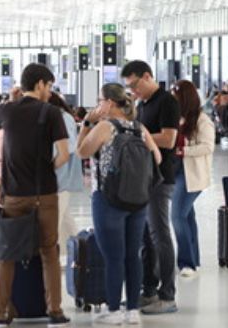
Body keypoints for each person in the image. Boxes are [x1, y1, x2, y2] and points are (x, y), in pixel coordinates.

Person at [0, 63, 71, 327]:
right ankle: (55, 312)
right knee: (49, 252)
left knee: (8, 254)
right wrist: (45, 168)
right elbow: (63, 154)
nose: (50, 92)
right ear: (40, 84)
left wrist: (10, 100)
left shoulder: (6, 110)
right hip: (46, 195)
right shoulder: (51, 113)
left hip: (14, 196)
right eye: (49, 86)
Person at [77, 83, 161, 325]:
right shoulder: (139, 128)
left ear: (110, 103)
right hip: (138, 200)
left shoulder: (105, 126)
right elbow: (156, 157)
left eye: (100, 100)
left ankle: (114, 311)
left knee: (113, 256)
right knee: (132, 255)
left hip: (108, 198)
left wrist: (86, 123)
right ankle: (132, 310)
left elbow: (82, 151)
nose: (97, 105)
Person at [121, 60, 180, 314]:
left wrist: (136, 135)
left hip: (160, 178)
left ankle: (168, 296)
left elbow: (168, 139)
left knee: (160, 235)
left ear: (147, 77)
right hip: (144, 178)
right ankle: (149, 290)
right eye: (129, 89)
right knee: (146, 238)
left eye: (135, 85)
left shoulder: (167, 101)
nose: (133, 92)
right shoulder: (143, 104)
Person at [170, 80, 215, 277]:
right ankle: (194, 259)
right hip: (175, 172)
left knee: (177, 216)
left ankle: (186, 262)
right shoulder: (175, 118)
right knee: (187, 216)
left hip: (192, 175)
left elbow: (208, 146)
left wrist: (183, 150)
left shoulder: (202, 120)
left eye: (176, 95)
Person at [48, 93, 83, 261]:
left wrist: (48, 167)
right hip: (59, 173)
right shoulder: (62, 117)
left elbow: (67, 148)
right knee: (64, 218)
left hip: (60, 174)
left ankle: (55, 257)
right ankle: (81, 253)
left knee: (55, 219)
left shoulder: (63, 118)